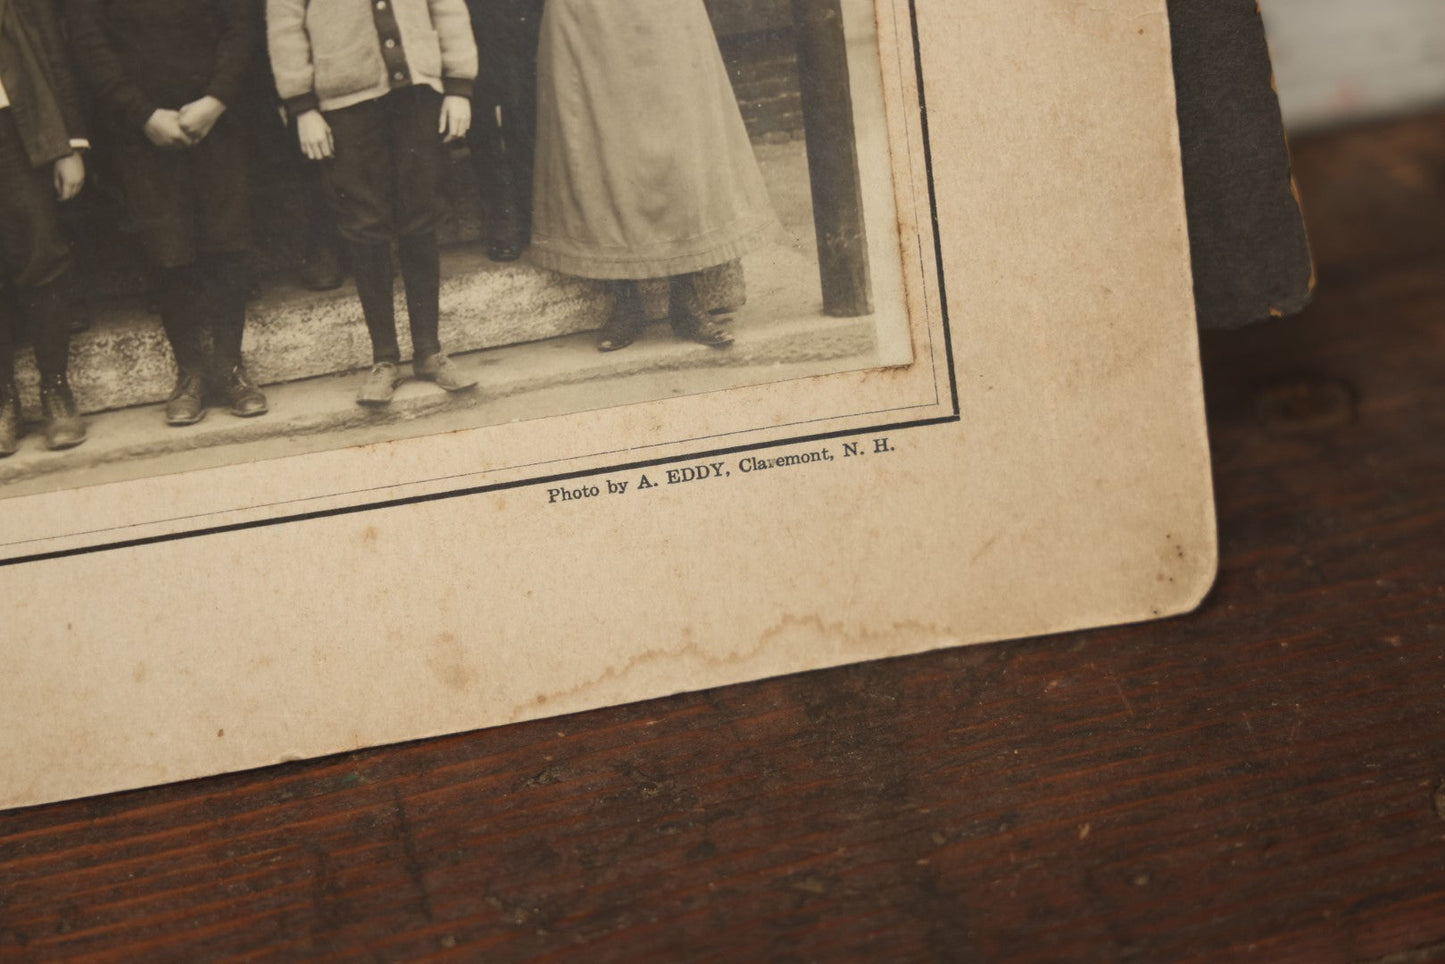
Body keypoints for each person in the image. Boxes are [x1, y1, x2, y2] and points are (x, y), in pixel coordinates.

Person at [529, 0, 775, 352]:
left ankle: (687, 301)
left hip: (664, 14)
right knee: (603, 145)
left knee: (680, 141)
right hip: (587, 17)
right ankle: (626, 302)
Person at [267, 0, 480, 406]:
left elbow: (449, 9)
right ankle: (384, 359)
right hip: (346, 103)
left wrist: (458, 87)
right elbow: (285, 24)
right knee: (365, 222)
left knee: (421, 215)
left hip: (417, 93)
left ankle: (429, 351)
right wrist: (302, 105)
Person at [66, 0, 269, 426]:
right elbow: (90, 43)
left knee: (228, 240)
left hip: (220, 119)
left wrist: (217, 98)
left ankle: (230, 367)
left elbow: (241, 25)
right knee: (168, 248)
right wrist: (141, 113)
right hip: (143, 132)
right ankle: (191, 373)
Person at [0, 0, 90, 454]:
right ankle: (2, 401)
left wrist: (68, 145)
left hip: (18, 129)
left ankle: (56, 390)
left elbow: (52, 50)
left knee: (41, 254)